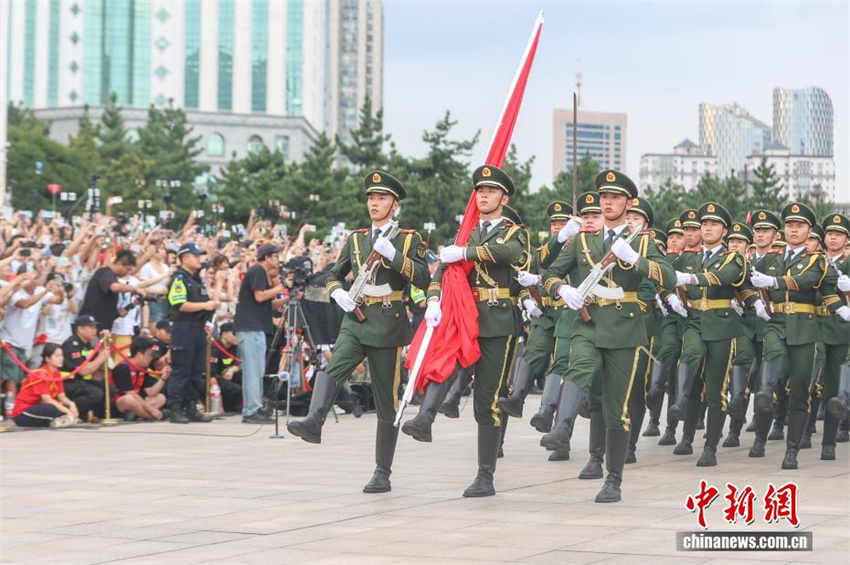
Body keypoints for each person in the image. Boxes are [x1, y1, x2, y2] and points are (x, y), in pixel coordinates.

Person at [288, 170, 430, 494]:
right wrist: (338, 291)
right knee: (334, 366)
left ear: (394, 204)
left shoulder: (407, 238)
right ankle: (314, 421)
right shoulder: (355, 238)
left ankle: (382, 471)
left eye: (381, 198)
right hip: (357, 316)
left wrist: (394, 256)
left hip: (388, 322)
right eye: (371, 197)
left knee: (385, 400)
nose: (374, 203)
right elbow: (334, 274)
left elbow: (422, 277)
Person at [542, 170, 675, 502]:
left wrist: (637, 260)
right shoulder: (584, 240)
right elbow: (549, 273)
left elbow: (669, 276)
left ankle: (613, 479)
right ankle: (562, 427)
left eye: (615, 198)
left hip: (625, 329)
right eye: (604, 197)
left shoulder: (642, 241)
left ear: (628, 204)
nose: (608, 202)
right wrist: (563, 289)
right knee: (579, 366)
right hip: (588, 321)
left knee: (617, 410)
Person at [417, 165, 527, 498]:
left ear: (503, 198)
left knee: (487, 401)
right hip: (463, 317)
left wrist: (466, 252)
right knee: (443, 364)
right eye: (480, 191)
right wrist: (433, 299)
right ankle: (425, 417)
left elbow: (512, 254)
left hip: (497, 322)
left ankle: (485, 475)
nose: (483, 196)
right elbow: (444, 273)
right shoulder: (466, 231)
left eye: (491, 191)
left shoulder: (513, 231)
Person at [748, 202, 842, 469]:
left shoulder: (817, 260)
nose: (794, 230)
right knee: (772, 355)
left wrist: (773, 282)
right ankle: (765, 394)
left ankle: (792, 451)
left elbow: (807, 281)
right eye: (789, 225)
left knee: (801, 391)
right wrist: (753, 301)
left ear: (809, 230)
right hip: (776, 321)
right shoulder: (772, 258)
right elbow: (746, 280)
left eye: (799, 226)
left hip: (805, 326)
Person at [667, 202, 745, 467]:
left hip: (722, 325)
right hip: (694, 320)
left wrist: (689, 280)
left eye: (714, 224)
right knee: (690, 353)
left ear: (724, 230)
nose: (708, 228)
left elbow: (724, 277)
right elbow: (663, 274)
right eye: (705, 224)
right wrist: (668, 295)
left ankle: (710, 446)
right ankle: (680, 404)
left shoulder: (733, 257)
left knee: (715, 389)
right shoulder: (688, 257)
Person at [165, 243, 219, 424]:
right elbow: (179, 304)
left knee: (196, 370)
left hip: (197, 327)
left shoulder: (196, 279)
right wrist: (206, 305)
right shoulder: (179, 279)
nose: (199, 259)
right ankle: (175, 408)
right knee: (182, 369)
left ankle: (191, 406)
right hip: (184, 328)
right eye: (195, 256)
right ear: (185, 258)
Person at [233, 243, 284, 424]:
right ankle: (252, 410)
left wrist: (285, 298)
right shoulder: (257, 270)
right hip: (250, 328)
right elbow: (260, 296)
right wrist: (282, 286)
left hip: (255, 327)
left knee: (255, 370)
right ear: (268, 257)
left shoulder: (259, 272)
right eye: (276, 256)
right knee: (253, 371)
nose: (278, 260)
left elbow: (266, 304)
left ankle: (253, 408)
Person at [12, 343, 77, 428]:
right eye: (57, 356)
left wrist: (72, 405)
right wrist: (67, 411)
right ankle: (59, 419)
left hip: (37, 408)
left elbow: (61, 396)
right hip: (23, 413)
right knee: (51, 408)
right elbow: (47, 400)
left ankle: (57, 419)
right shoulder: (40, 374)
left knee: (58, 408)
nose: (61, 359)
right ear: (47, 359)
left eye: (61, 356)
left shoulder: (56, 373)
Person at [78, 249, 146, 330]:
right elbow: (115, 287)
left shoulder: (114, 278)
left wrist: (129, 307)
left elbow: (116, 310)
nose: (127, 273)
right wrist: (134, 289)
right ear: (119, 264)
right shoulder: (104, 272)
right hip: (90, 325)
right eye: (127, 270)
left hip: (104, 326)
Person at [61, 315, 111, 420]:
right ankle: (67, 411)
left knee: (109, 389)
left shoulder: (88, 345)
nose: (95, 330)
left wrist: (104, 345)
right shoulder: (72, 345)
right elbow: (83, 371)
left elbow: (96, 367)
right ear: (80, 329)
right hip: (70, 383)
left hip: (83, 382)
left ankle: (90, 414)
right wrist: (101, 357)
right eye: (91, 327)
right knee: (95, 393)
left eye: (95, 328)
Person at [111, 336, 167, 421]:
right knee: (129, 399)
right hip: (119, 402)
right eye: (149, 355)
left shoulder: (142, 368)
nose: (151, 359)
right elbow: (131, 393)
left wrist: (164, 377)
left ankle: (136, 414)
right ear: (140, 355)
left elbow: (151, 392)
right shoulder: (123, 368)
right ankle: (151, 416)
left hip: (137, 401)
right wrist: (151, 410)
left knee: (161, 397)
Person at [212, 322, 243, 413]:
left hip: (228, 376)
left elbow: (238, 364)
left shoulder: (233, 348)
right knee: (236, 389)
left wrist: (232, 369)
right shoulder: (214, 347)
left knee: (246, 380)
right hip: (214, 379)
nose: (238, 337)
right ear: (224, 334)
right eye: (235, 334)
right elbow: (211, 372)